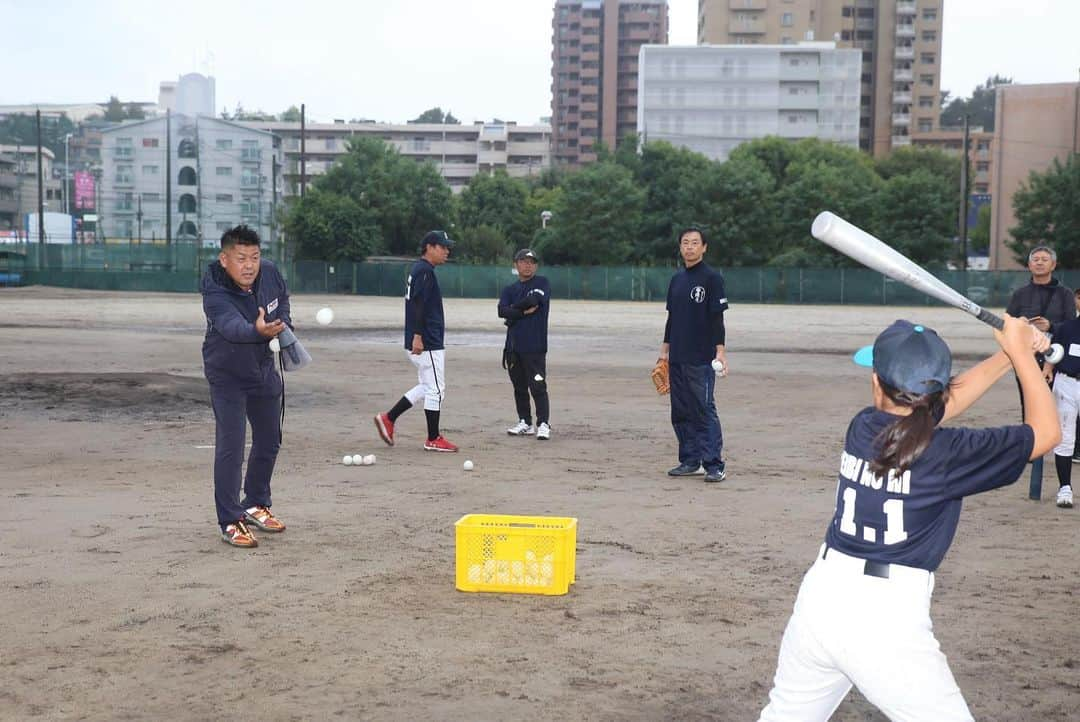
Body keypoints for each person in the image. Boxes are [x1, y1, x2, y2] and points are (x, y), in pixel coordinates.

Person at [758, 317, 1059, 721]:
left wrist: (1008, 354)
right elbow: (1046, 433)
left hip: (820, 598)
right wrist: (1022, 354)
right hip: (884, 620)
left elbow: (931, 411)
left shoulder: (864, 427)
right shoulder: (948, 453)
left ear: (877, 383)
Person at [201, 224, 290, 548]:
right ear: (225, 259)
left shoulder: (269, 273)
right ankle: (230, 520)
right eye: (241, 258)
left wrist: (284, 326)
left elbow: (282, 301)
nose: (249, 265)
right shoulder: (213, 286)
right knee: (231, 446)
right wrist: (259, 331)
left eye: (254, 256)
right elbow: (231, 326)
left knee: (269, 440)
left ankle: (255, 502)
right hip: (226, 374)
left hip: (263, 368)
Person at [375, 230, 458, 452]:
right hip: (426, 341)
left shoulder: (421, 270)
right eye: (442, 246)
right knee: (436, 389)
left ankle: (388, 418)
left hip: (423, 339)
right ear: (429, 247)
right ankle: (433, 438)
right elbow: (418, 305)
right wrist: (419, 336)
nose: (446, 251)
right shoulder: (424, 271)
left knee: (426, 386)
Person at [658, 226, 728, 483]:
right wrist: (664, 351)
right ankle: (690, 460)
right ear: (680, 247)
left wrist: (721, 351)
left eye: (695, 242)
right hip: (677, 355)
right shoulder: (677, 280)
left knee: (703, 409)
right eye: (685, 242)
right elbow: (671, 318)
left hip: (701, 357)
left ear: (704, 247)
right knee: (681, 410)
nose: (689, 246)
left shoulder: (711, 278)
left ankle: (714, 464)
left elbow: (717, 319)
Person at [1005, 245, 1076, 492]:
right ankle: (1032, 447)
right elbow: (1007, 322)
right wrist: (1021, 324)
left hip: (1056, 356)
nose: (1039, 263)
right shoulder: (1020, 294)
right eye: (1035, 259)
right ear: (1029, 265)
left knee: (1059, 403)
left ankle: (1066, 446)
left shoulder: (1065, 294)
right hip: (1025, 355)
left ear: (1053, 265)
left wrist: (1051, 326)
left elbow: (1071, 326)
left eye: (1045, 259)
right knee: (1029, 401)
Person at [498, 248, 552, 440]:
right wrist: (520, 312)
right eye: (523, 261)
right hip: (513, 347)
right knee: (519, 387)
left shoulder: (541, 283)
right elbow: (501, 311)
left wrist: (512, 309)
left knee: (538, 386)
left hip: (535, 347)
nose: (528, 265)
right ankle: (525, 422)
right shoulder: (509, 289)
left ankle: (543, 423)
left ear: (535, 265)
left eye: (531, 262)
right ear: (516, 264)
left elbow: (533, 299)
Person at [1043, 294, 1080, 508]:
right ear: (1077, 300)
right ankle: (1065, 488)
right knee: (1065, 436)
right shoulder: (1066, 328)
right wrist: (1047, 369)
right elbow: (1053, 353)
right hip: (1067, 383)